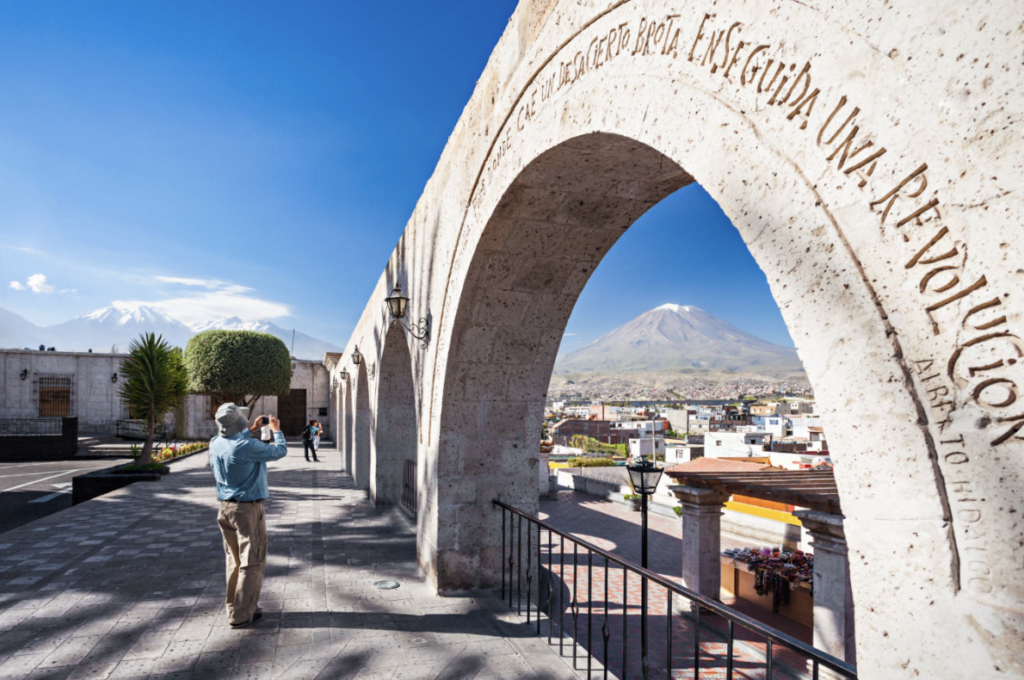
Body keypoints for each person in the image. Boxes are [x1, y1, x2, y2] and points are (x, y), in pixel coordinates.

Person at [209, 403, 287, 628]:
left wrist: (251, 428)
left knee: (233, 561)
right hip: (247, 510)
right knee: (252, 562)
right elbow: (279, 451)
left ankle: (234, 608)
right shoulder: (247, 446)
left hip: (225, 509)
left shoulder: (216, 443)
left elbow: (235, 441)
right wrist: (276, 430)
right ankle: (242, 615)